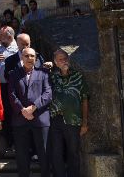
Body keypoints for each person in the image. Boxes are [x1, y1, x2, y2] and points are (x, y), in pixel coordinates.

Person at [8, 48, 52, 177]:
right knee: (21, 154)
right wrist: (22, 110)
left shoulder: (44, 73)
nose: (29, 58)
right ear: (22, 57)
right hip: (20, 119)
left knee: (44, 152)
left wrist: (33, 108)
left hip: (40, 118)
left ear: (36, 59)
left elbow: (48, 94)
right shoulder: (14, 74)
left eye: (32, 56)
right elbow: (11, 94)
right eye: (26, 55)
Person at [49, 49, 88, 177]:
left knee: (73, 153)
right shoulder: (52, 77)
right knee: (56, 153)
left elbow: (85, 100)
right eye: (60, 59)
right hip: (55, 120)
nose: (64, 61)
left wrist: (85, 123)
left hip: (73, 120)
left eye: (65, 58)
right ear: (55, 63)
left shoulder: (78, 76)